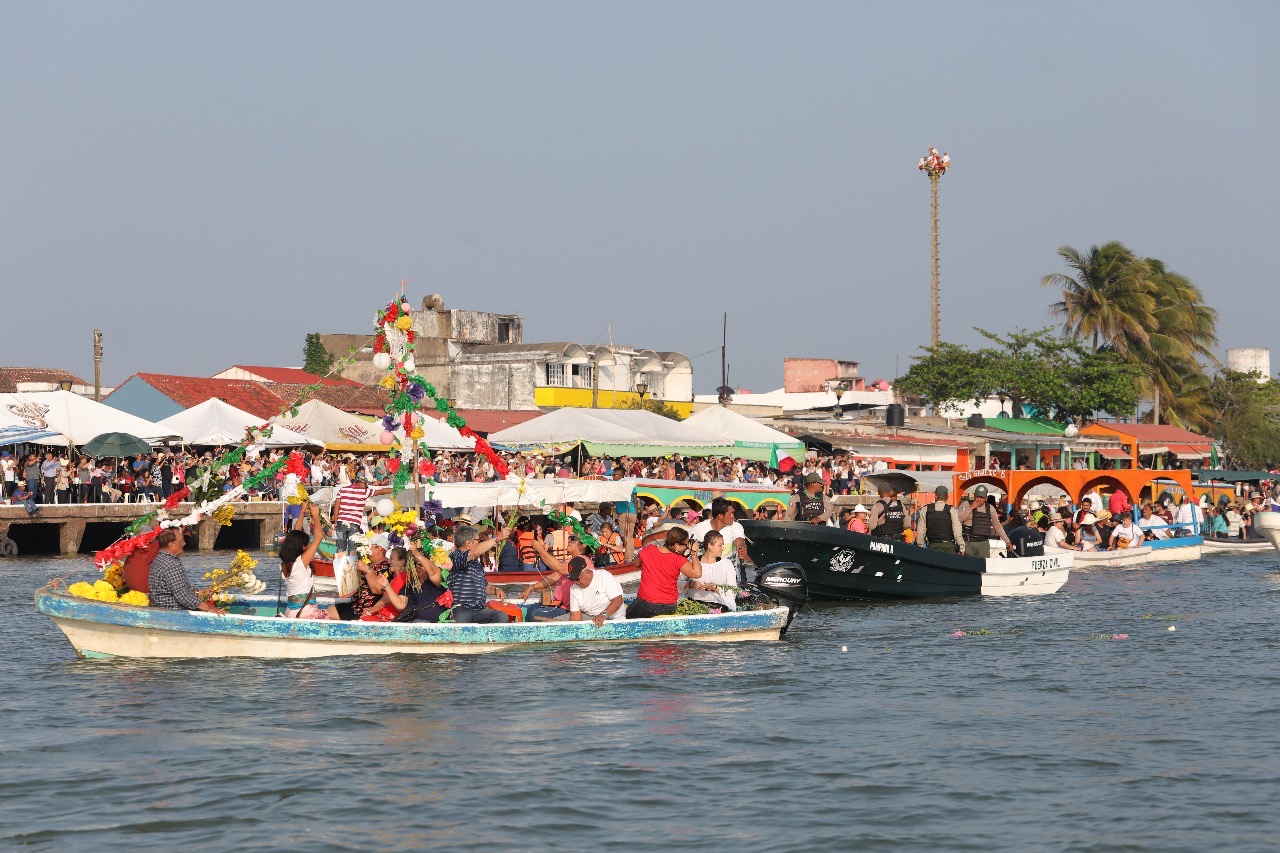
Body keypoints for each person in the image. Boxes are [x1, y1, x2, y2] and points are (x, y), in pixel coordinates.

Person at [626, 526, 703, 619]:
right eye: (686, 545)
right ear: (676, 545)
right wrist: (694, 553)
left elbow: (636, 563)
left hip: (647, 603)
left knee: (626, 616)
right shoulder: (678, 559)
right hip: (669, 606)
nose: (686, 548)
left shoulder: (649, 549)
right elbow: (697, 573)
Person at [279, 502, 339, 619]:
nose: (307, 547)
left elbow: (296, 532)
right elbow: (318, 537)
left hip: (291, 611)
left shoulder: (284, 564)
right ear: (300, 547)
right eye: (305, 545)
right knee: (341, 613)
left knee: (333, 609)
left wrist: (302, 511)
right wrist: (315, 516)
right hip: (306, 613)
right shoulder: (300, 563)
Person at [148, 528, 225, 613]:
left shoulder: (160, 559)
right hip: (173, 611)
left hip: (161, 608)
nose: (184, 543)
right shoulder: (171, 564)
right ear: (171, 545)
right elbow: (183, 597)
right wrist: (208, 608)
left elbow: (177, 589)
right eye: (181, 541)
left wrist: (199, 593)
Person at [448, 524, 510, 623]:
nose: (480, 542)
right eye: (478, 540)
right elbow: (475, 552)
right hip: (461, 609)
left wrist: (496, 590)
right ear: (468, 543)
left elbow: (483, 586)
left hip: (479, 610)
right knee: (459, 632)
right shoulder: (455, 556)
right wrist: (497, 538)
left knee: (501, 617)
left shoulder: (476, 563)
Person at [689, 497, 749, 576]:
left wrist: (742, 548)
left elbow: (740, 542)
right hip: (703, 576)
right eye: (730, 513)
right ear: (720, 516)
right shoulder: (699, 529)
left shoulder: (736, 526)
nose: (733, 516)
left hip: (728, 577)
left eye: (733, 513)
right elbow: (688, 550)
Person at [683, 529, 737, 611]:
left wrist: (715, 588)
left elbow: (733, 590)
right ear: (709, 545)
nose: (723, 548)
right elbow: (676, 583)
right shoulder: (692, 561)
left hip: (717, 607)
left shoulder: (726, 564)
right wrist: (690, 584)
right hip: (693, 606)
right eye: (720, 545)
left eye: (723, 544)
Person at [567, 556, 626, 626]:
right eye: (573, 579)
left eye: (577, 578)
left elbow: (618, 600)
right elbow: (575, 617)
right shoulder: (573, 589)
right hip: (589, 619)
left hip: (613, 619)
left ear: (587, 572)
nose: (575, 582)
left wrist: (602, 615)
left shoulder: (604, 576)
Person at [347, 533, 393, 619]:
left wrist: (367, 570)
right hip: (355, 607)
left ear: (379, 549)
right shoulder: (367, 564)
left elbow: (378, 590)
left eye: (369, 546)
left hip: (365, 611)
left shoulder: (386, 566)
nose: (366, 548)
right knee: (328, 611)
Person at [958, 485, 1014, 556]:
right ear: (974, 496)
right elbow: (958, 519)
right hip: (968, 542)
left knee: (983, 565)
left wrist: (1007, 541)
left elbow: (997, 526)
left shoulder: (990, 508)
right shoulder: (966, 504)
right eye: (977, 496)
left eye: (982, 497)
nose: (979, 499)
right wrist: (971, 508)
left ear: (986, 498)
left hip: (983, 542)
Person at [917, 485, 963, 553]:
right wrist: (961, 545)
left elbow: (921, 530)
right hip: (948, 546)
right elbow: (957, 530)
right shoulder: (952, 510)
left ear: (935, 496)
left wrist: (920, 545)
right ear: (947, 497)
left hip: (933, 545)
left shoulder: (925, 509)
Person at [612, 468, 638, 561]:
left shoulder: (616, 484)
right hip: (633, 512)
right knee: (630, 537)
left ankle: (628, 558)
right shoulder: (631, 485)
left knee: (626, 536)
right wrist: (637, 514)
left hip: (623, 513)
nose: (613, 476)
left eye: (615, 475)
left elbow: (605, 481)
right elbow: (635, 501)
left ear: (621, 476)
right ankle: (630, 557)